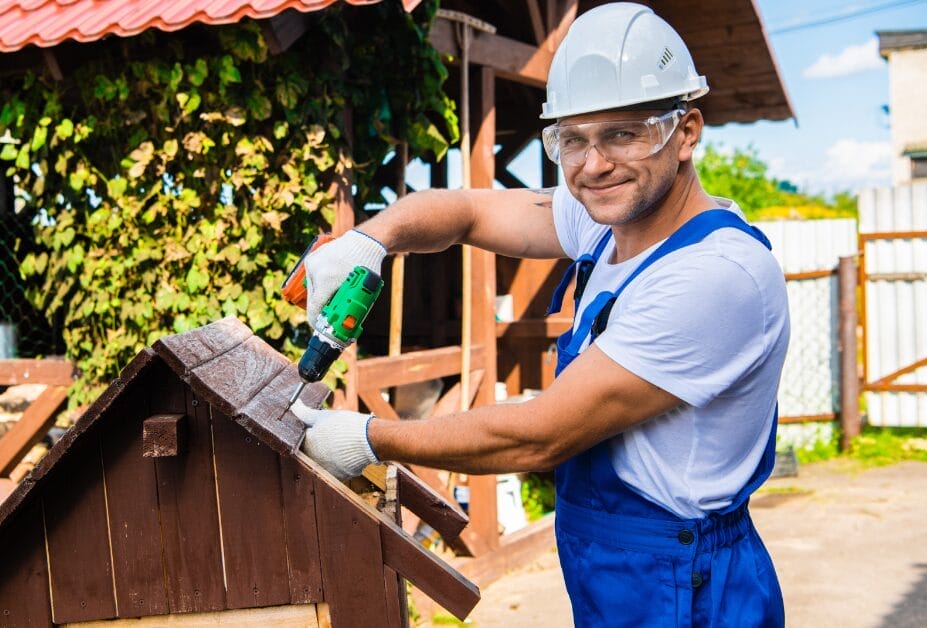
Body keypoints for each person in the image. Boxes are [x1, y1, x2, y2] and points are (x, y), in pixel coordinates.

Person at [290, 3, 790, 626]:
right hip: (620, 565)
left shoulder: (715, 276)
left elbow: (541, 433)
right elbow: (468, 213)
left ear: (685, 131)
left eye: (622, 134)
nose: (592, 165)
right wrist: (373, 238)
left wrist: (366, 438)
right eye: (571, 140)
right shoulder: (608, 221)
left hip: (685, 583)